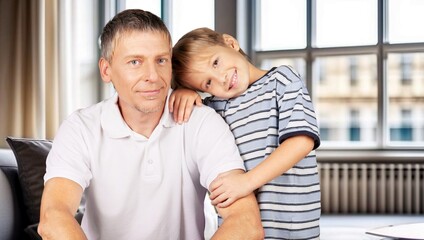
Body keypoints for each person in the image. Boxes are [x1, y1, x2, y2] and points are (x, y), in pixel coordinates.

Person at [37, 10, 264, 240]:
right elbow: (54, 217)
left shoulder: (202, 122)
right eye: (135, 62)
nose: (153, 76)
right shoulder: (81, 128)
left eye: (161, 60)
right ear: (106, 70)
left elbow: (245, 222)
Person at [170, 27, 321, 239]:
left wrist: (247, 182)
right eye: (208, 83)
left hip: (293, 226)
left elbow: (301, 142)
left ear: (231, 43)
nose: (220, 79)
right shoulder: (215, 107)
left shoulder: (282, 80)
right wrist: (183, 92)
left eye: (216, 62)